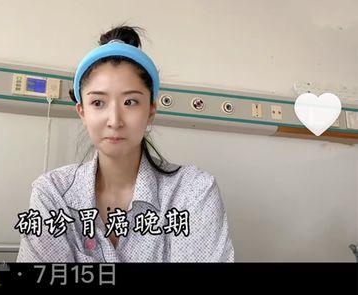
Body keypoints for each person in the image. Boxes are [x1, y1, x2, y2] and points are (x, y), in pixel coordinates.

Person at [16, 24, 234, 262]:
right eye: (98, 103)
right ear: (82, 112)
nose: (115, 120)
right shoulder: (53, 193)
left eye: (130, 102)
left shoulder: (194, 192)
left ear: (150, 111)